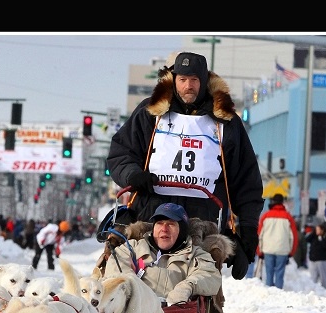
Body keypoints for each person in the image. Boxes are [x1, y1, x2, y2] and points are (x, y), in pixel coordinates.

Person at [106, 52, 264, 281]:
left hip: (204, 220)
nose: (187, 86)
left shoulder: (226, 122)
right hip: (152, 214)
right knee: (135, 278)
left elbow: (246, 180)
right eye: (182, 80)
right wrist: (133, 174)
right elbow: (121, 153)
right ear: (174, 79)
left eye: (194, 80)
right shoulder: (151, 112)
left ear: (204, 81)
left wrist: (247, 234)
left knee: (202, 288)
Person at [256, 194, 298, 289]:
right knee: (280, 273)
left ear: (272, 202)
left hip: (268, 249)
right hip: (282, 250)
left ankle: (270, 291)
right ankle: (279, 291)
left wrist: (259, 250)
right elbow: (294, 236)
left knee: (269, 272)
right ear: (282, 202)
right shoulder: (288, 217)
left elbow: (259, 235)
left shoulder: (265, 216)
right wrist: (291, 251)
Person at [305, 222, 326, 289]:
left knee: (324, 278)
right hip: (313, 260)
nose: (317, 231)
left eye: (318, 230)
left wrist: (321, 238)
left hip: (323, 260)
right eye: (316, 229)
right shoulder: (314, 237)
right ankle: (313, 291)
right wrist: (313, 233)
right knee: (313, 278)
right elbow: (307, 239)